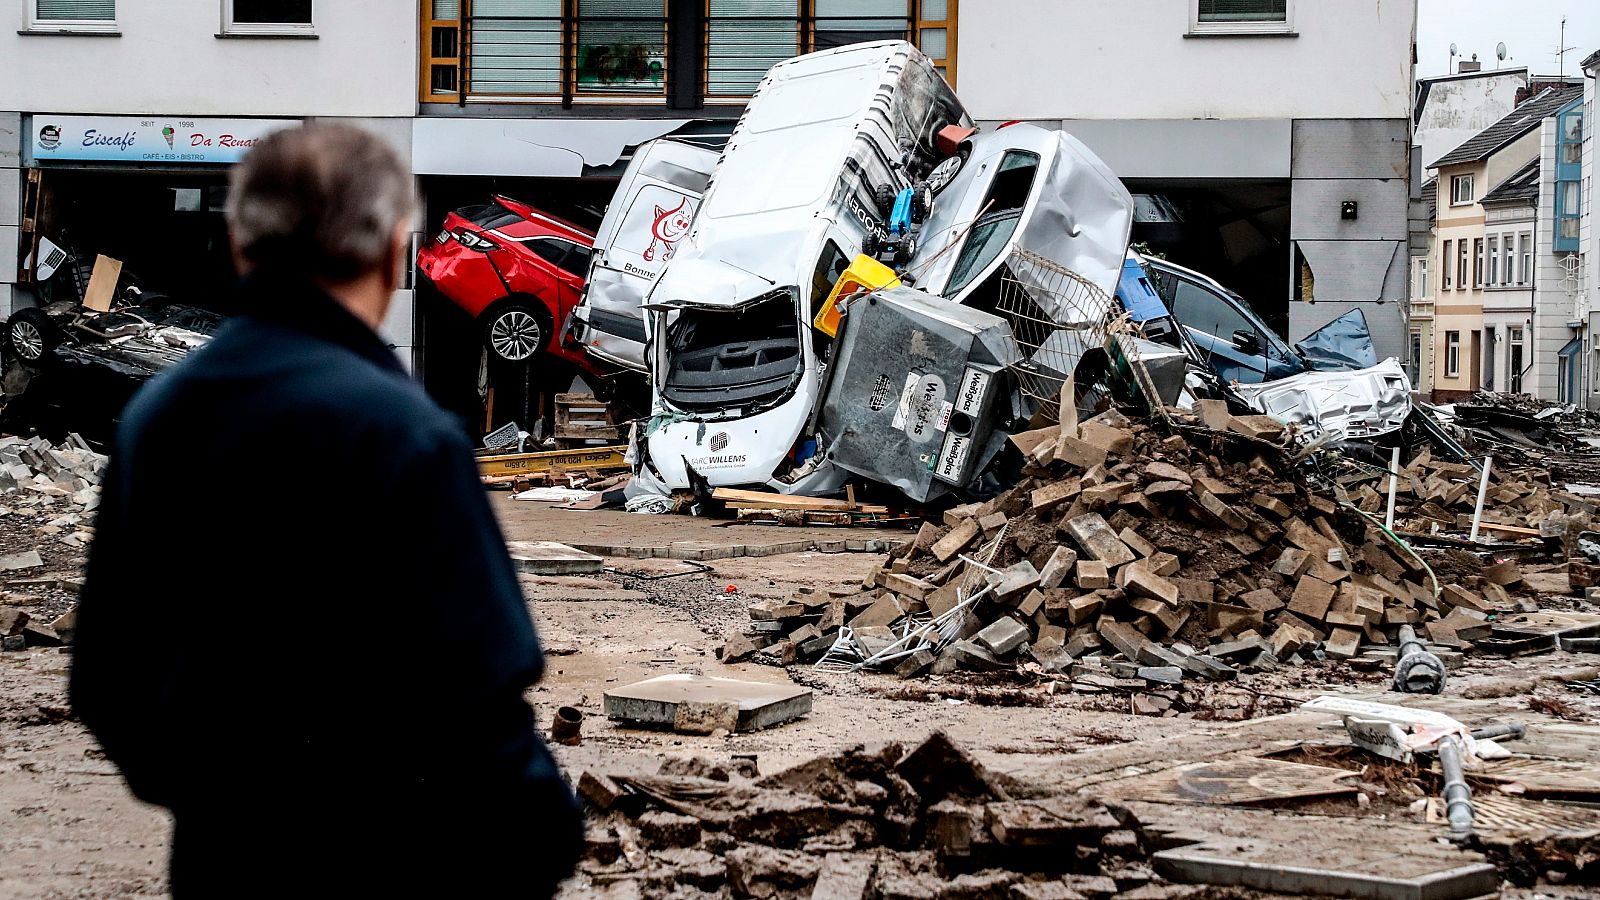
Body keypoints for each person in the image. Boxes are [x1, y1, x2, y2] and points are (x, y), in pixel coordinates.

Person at [70, 124, 582, 896]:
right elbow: (477, 710)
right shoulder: (405, 435)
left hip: (222, 863)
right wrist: (542, 837)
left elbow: (107, 681)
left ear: (241, 246)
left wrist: (217, 798)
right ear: (388, 252)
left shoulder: (157, 420)